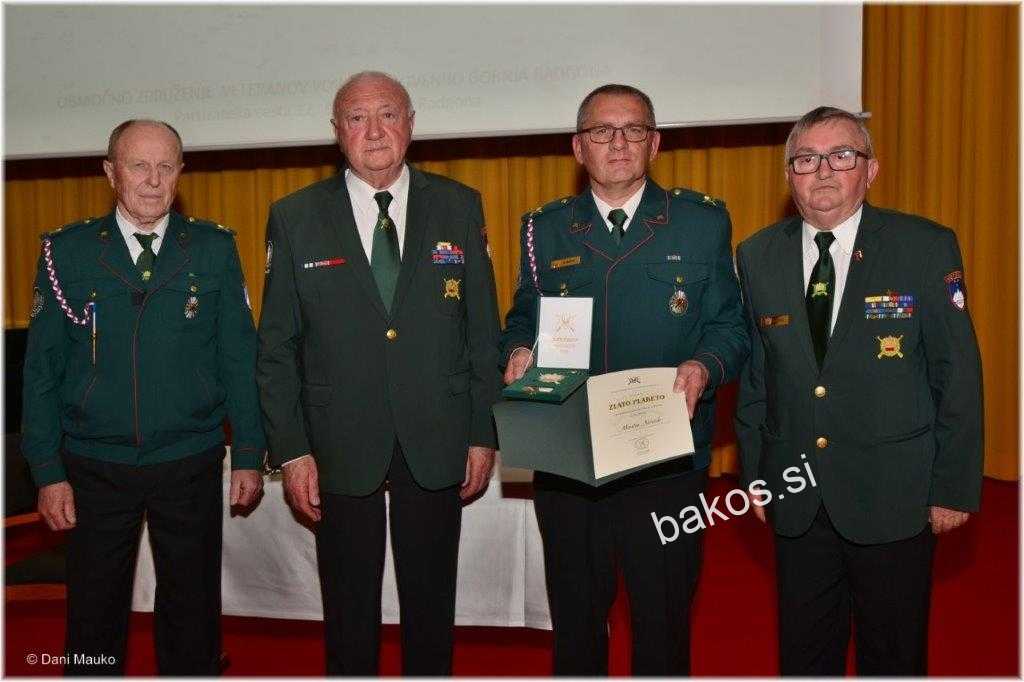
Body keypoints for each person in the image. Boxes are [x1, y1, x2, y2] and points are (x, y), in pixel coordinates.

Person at [256, 71, 501, 676]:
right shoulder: (294, 217)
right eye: (357, 117)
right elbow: (277, 347)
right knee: (347, 612)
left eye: (388, 114)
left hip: (437, 435)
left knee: (431, 608)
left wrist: (482, 431)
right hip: (337, 443)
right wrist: (292, 450)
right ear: (336, 131)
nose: (373, 131)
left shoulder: (459, 205)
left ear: (410, 124)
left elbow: (481, 332)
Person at [501, 83, 749, 675]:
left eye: (633, 130)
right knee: (576, 621)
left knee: (662, 621)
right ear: (577, 147)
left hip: (665, 459)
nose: (617, 143)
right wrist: (517, 349)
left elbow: (731, 326)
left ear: (654, 144)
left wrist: (704, 366)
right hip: (569, 456)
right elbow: (524, 314)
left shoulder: (700, 222)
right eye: (601, 131)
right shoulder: (544, 228)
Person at [734, 106, 983, 675]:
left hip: (895, 495)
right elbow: (757, 377)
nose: (823, 171)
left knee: (893, 656)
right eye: (806, 159)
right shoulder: (757, 254)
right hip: (797, 495)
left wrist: (953, 487)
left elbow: (957, 373)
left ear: (870, 170)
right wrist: (754, 475)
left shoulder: (923, 247)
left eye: (841, 156)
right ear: (788, 175)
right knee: (804, 657)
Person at [21, 119, 266, 675]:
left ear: (180, 173)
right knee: (92, 616)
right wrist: (47, 471)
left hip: (189, 459)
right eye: (139, 166)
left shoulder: (213, 248)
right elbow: (40, 372)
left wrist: (249, 453)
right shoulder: (67, 252)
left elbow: (238, 359)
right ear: (111, 173)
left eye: (165, 167)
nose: (153, 181)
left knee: (193, 614)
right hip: (94, 466)